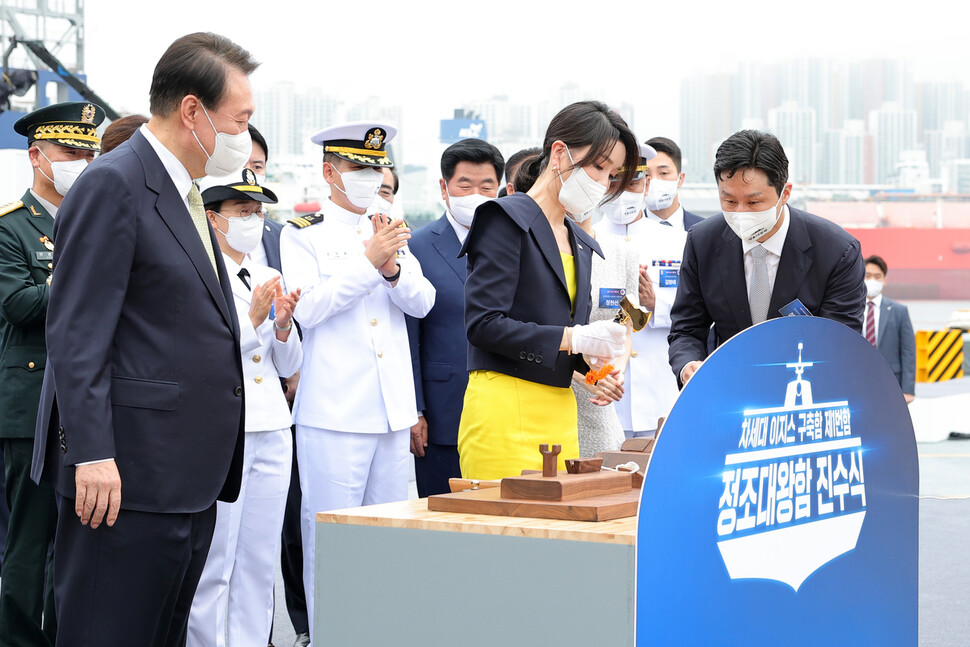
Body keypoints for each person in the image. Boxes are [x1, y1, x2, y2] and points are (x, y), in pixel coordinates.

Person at [31, 32, 257, 646]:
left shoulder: (183, 192)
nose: (244, 135)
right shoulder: (116, 183)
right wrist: (92, 452)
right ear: (193, 110)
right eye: (240, 120)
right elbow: (77, 334)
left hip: (183, 479)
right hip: (125, 478)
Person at [279, 121, 435, 638]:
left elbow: (422, 301)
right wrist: (370, 263)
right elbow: (312, 308)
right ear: (330, 172)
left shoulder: (387, 225)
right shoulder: (302, 235)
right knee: (332, 541)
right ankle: (331, 634)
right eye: (359, 167)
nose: (371, 176)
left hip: (391, 411)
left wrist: (391, 268)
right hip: (334, 412)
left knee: (392, 540)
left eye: (376, 166)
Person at [457, 100, 637, 480]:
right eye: (598, 167)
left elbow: (560, 343)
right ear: (559, 153)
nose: (603, 183)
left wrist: (594, 373)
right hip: (504, 408)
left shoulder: (579, 240)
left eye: (612, 175)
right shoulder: (505, 219)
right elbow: (483, 325)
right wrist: (576, 337)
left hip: (560, 412)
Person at [0, 100, 103, 647]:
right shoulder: (12, 227)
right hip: (31, 401)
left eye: (89, 153)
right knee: (29, 539)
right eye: (70, 152)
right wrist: (80, 271)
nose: (81, 162)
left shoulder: (92, 221)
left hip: (85, 405)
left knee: (77, 543)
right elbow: (17, 303)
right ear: (38, 156)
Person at [188, 170, 302, 647]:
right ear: (213, 219)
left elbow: (290, 363)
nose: (254, 221)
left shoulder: (264, 274)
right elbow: (202, 354)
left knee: (258, 558)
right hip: (225, 430)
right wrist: (253, 321)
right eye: (243, 212)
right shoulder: (198, 274)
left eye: (258, 212)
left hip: (272, 424)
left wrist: (281, 327)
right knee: (217, 561)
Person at [668, 129, 866, 387]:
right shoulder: (703, 241)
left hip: (804, 393)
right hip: (730, 390)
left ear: (785, 193)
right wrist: (688, 365)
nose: (740, 213)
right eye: (728, 201)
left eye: (753, 203)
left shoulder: (836, 251)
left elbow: (840, 343)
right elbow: (686, 329)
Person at [406, 138, 504, 497]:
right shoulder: (416, 245)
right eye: (465, 184)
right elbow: (409, 337)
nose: (475, 193)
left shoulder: (516, 245)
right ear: (444, 188)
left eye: (486, 185)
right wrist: (415, 410)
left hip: (502, 411)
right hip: (442, 413)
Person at [596, 142, 688, 437]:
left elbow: (698, 316)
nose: (622, 191)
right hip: (603, 391)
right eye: (613, 180)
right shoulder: (585, 239)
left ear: (646, 183)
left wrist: (655, 304)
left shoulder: (679, 242)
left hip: (660, 393)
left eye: (632, 181)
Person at [864, 255, 915, 403]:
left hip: (891, 382)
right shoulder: (851, 309)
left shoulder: (899, 311)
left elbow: (908, 351)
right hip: (858, 378)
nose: (872, 280)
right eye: (867, 276)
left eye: (877, 276)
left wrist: (908, 390)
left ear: (884, 280)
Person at [642, 136, 703, 230]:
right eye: (646, 175)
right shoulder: (627, 231)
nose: (654, 181)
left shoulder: (704, 230)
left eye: (663, 173)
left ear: (681, 179)